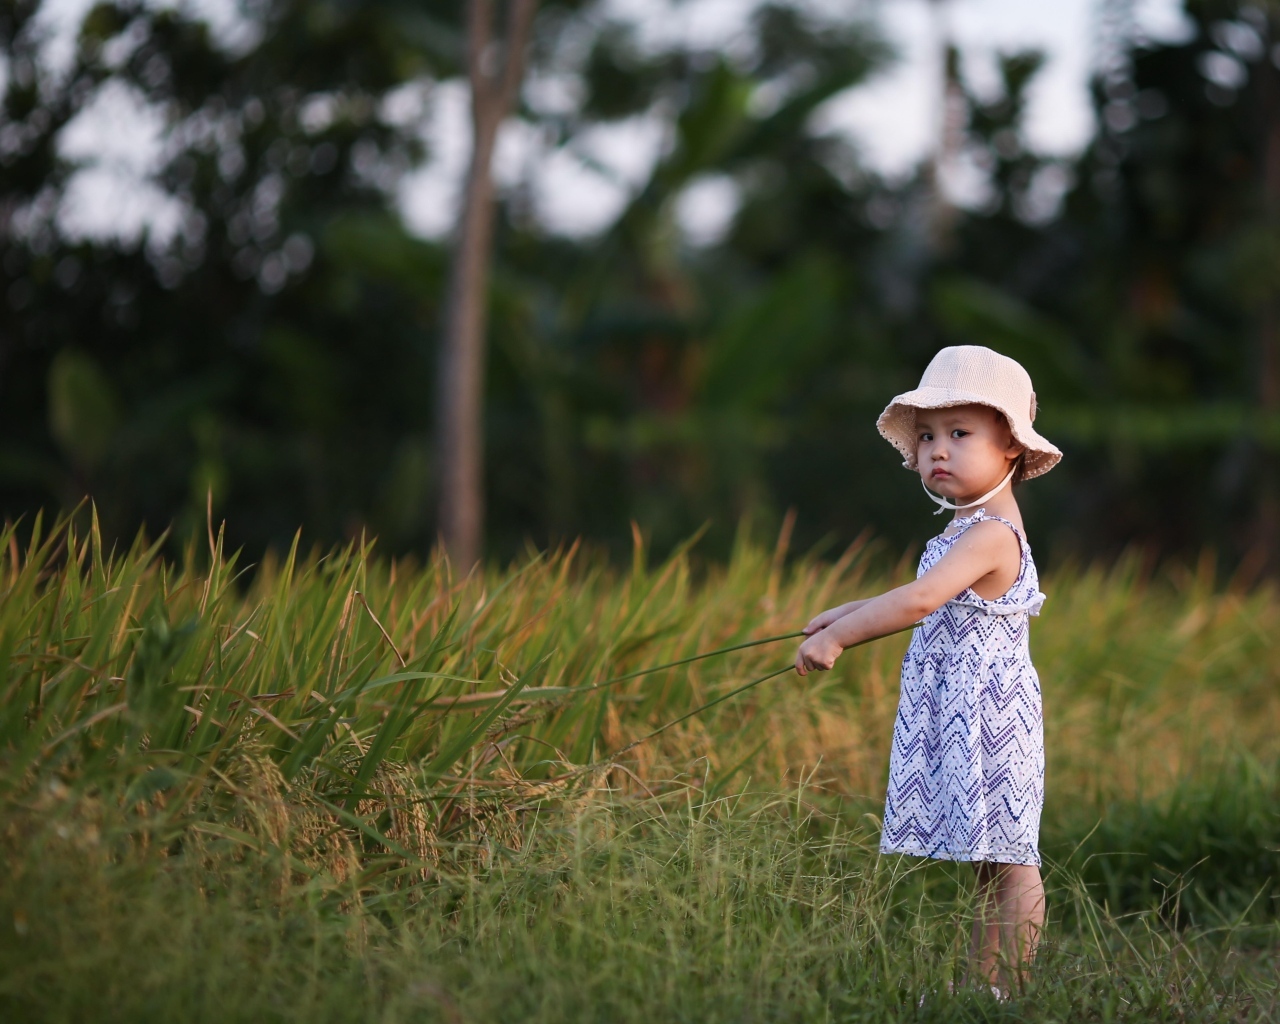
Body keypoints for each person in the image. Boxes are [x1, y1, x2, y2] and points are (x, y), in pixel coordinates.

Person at [795, 345, 1062, 996]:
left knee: (1012, 861)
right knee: (987, 864)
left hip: (991, 721)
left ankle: (1012, 989)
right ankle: (983, 982)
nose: (938, 449)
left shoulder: (993, 534)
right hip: (964, 715)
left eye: (960, 434)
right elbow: (928, 601)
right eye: (928, 436)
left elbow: (918, 602)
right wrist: (844, 614)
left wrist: (841, 641)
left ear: (1010, 448)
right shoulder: (963, 531)